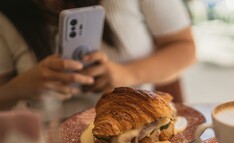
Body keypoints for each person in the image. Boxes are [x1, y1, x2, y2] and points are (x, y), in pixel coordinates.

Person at [0, 0, 196, 110]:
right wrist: (21, 87)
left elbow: (184, 48)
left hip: (137, 127)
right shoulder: (6, 13)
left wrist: (127, 74)